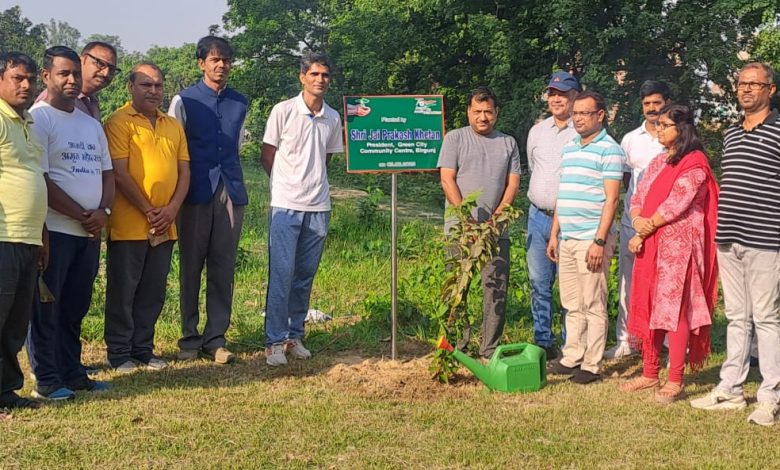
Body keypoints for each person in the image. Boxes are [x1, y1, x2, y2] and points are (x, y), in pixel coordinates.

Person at [691, 62, 780, 426]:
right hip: (729, 237)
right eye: (741, 83)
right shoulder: (731, 133)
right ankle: (731, 389)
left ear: (770, 90)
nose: (745, 89)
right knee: (737, 317)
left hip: (766, 238)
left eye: (754, 84)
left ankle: (770, 396)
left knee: (767, 318)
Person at [27, 46, 114, 400]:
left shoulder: (90, 123)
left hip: (89, 233)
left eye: (75, 73)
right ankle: (47, 379)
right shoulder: (39, 119)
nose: (72, 80)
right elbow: (42, 180)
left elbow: (107, 173)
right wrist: (82, 215)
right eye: (63, 73)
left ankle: (73, 372)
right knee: (47, 307)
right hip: (57, 230)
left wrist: (103, 212)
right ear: (46, 76)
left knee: (76, 306)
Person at [619, 104, 719, 403]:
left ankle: (675, 378)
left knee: (675, 311)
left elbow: (676, 205)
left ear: (682, 128)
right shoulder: (659, 160)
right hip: (651, 243)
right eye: (658, 124)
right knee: (650, 305)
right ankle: (650, 372)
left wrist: (641, 232)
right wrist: (637, 220)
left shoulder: (695, 164)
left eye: (664, 125)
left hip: (679, 247)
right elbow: (638, 195)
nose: (658, 130)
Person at [103, 62, 190, 373]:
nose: (153, 91)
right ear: (131, 87)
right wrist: (148, 209)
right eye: (145, 85)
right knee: (123, 291)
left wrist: (172, 209)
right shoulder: (118, 121)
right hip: (129, 224)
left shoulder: (172, 125)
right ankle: (119, 352)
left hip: (165, 225)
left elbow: (184, 172)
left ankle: (143, 349)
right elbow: (119, 172)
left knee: (153, 291)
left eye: (158, 85)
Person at [168, 36, 248, 364]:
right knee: (191, 265)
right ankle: (189, 337)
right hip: (194, 191)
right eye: (215, 60)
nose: (221, 65)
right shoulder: (184, 100)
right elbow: (173, 148)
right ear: (201, 63)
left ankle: (216, 339)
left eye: (226, 60)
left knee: (223, 267)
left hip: (230, 191)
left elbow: (237, 145)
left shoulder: (239, 102)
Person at [261, 52, 343, 366]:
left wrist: (310, 182)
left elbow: (326, 158)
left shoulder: (332, 117)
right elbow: (267, 154)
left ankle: (294, 335)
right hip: (286, 205)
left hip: (319, 206)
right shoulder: (283, 111)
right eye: (314, 74)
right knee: (282, 274)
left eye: (325, 75)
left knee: (304, 275)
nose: (320, 80)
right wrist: (285, 184)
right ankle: (274, 341)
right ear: (302, 77)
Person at [438, 86, 522, 360]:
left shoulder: (508, 143)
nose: (482, 117)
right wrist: (467, 220)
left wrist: (496, 220)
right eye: (477, 111)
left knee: (495, 290)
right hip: (460, 231)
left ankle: (489, 350)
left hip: (496, 232)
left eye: (488, 111)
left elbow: (513, 184)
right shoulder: (455, 138)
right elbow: (447, 179)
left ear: (496, 112)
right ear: (468, 112)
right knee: (457, 289)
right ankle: (458, 348)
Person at [546, 90, 623, 384]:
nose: (578, 119)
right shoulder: (570, 148)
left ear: (600, 115)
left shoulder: (609, 150)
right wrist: (555, 234)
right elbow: (563, 193)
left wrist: (599, 241)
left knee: (593, 303)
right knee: (571, 302)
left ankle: (592, 364)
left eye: (584, 114)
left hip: (591, 239)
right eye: (575, 113)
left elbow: (611, 199)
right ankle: (572, 356)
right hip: (567, 238)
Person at [605, 80, 671, 360]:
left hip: (666, 224)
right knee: (628, 283)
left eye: (657, 102)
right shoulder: (631, 139)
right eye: (647, 104)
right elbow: (626, 181)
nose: (652, 108)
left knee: (665, 284)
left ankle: (666, 341)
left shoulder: (676, 137)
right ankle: (627, 340)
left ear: (667, 102)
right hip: (634, 224)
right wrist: (636, 215)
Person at [0, 52, 46, 411]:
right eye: (18, 78)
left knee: (15, 322)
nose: (26, 85)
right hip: (4, 236)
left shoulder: (27, 121)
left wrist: (42, 235)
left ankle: (6, 390)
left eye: (30, 79)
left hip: (28, 237)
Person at [526, 71, 580, 360]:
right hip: (538, 216)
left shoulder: (581, 131)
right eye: (553, 94)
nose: (557, 99)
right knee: (539, 282)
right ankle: (543, 340)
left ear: (575, 97)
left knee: (569, 284)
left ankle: (571, 343)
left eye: (563, 94)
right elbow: (534, 168)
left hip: (570, 219)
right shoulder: (537, 131)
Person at [36, 41, 120, 121]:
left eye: (112, 69)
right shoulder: (54, 99)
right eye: (100, 64)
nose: (106, 73)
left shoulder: (91, 102)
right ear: (81, 60)